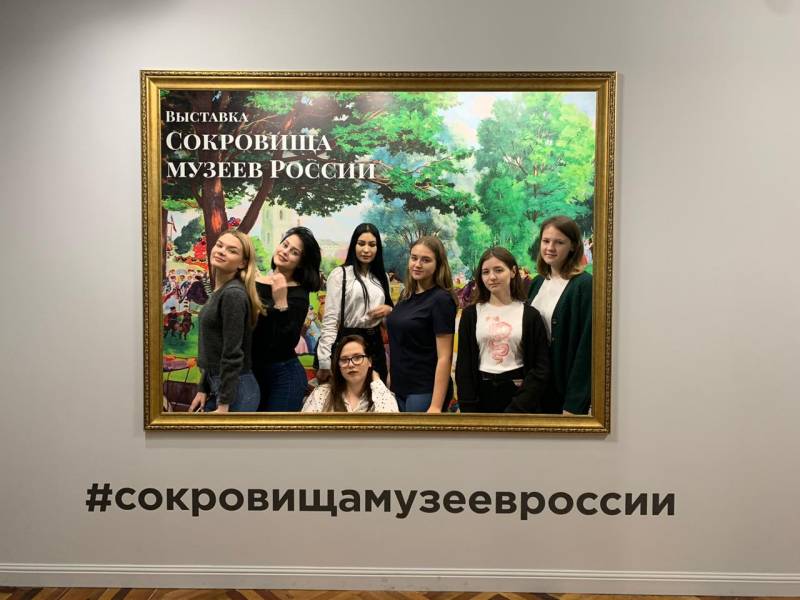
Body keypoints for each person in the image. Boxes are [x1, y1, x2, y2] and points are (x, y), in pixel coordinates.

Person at [455, 247, 549, 413]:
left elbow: (540, 367)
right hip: (480, 397)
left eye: (498, 270)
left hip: (519, 397)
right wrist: (468, 407)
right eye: (485, 272)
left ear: (513, 271)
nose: (492, 277)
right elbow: (464, 366)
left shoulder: (530, 315)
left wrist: (520, 406)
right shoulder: (470, 315)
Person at [188, 230, 262, 413]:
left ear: (242, 263)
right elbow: (214, 348)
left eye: (232, 250)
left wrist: (223, 406)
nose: (221, 251)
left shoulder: (233, 294)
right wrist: (203, 388)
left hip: (235, 393)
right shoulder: (221, 291)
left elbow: (232, 354)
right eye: (219, 245)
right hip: (220, 386)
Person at [252, 226, 322, 412]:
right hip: (252, 373)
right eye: (285, 245)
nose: (285, 252)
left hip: (283, 376)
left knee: (276, 431)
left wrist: (281, 302)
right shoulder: (255, 282)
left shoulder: (299, 295)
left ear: (300, 262)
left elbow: (285, 342)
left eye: (294, 252)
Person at [528, 215, 592, 415]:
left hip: (562, 390)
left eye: (559, 242)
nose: (550, 248)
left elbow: (587, 347)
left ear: (573, 246)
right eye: (546, 241)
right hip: (536, 387)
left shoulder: (584, 285)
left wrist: (574, 402)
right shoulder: (538, 282)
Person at [385, 236, 457, 412]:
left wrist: (436, 406)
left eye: (426, 260)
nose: (417, 264)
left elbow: (445, 357)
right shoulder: (406, 296)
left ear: (438, 264)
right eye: (414, 258)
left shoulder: (441, 300)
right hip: (398, 387)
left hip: (424, 390)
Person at [316, 223, 393, 384]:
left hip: (375, 345)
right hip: (348, 342)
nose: (366, 249)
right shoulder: (340, 275)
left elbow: (388, 322)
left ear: (378, 248)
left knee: (376, 394)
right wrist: (324, 361)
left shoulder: (382, 277)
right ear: (354, 245)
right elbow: (330, 320)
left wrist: (388, 311)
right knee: (347, 396)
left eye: (372, 245)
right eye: (361, 243)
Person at [302, 334, 399, 413]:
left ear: (369, 361)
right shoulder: (322, 393)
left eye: (357, 357)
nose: (351, 364)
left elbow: (391, 426)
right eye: (344, 360)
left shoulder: (381, 393)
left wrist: (376, 381)